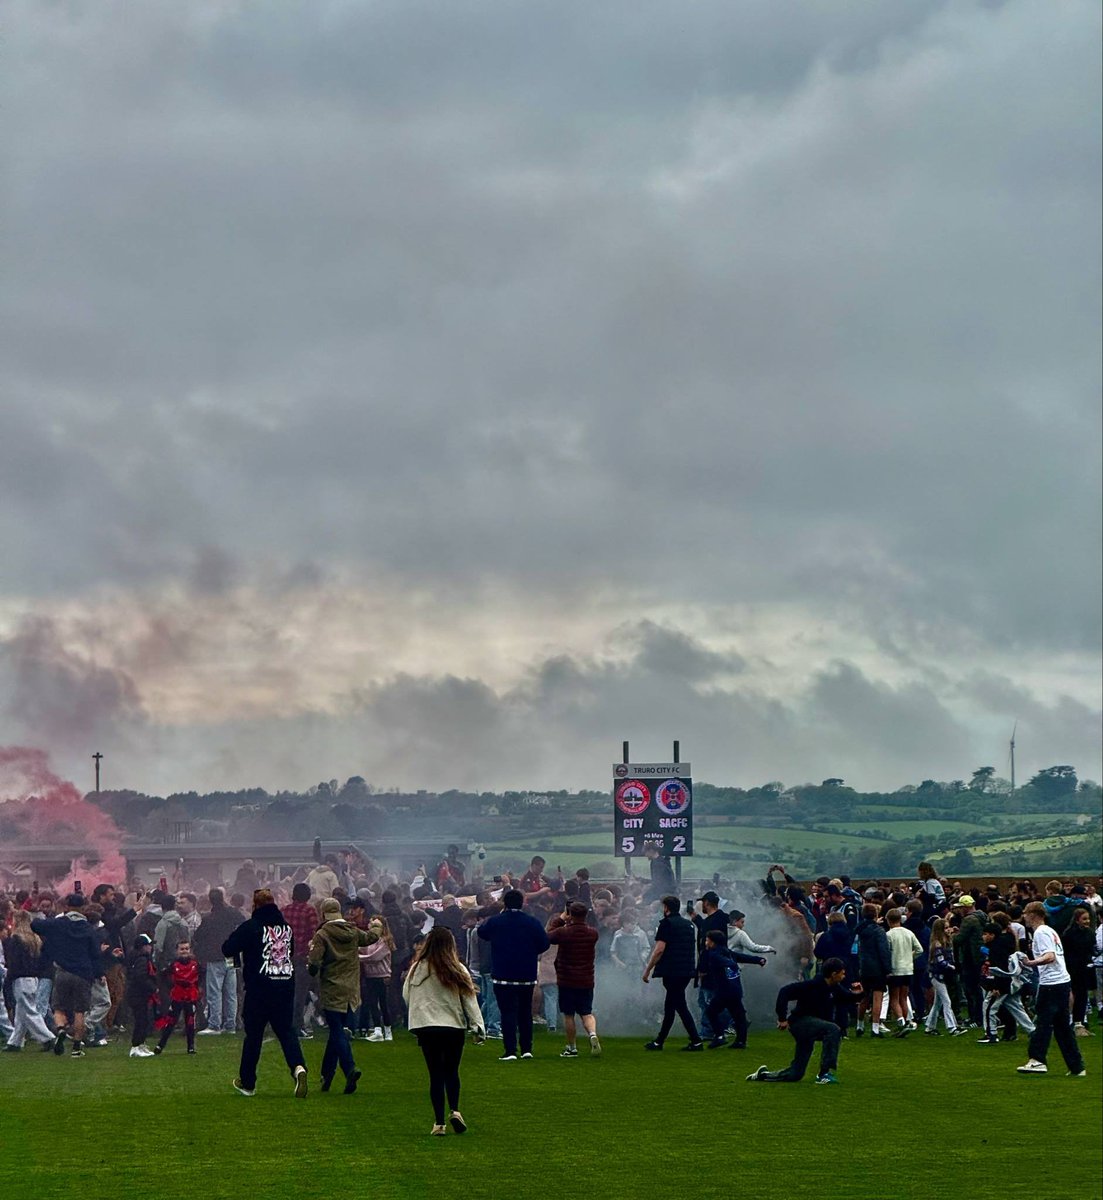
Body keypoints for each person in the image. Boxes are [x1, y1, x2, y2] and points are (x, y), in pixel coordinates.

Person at [222, 888, 308, 1098]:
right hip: (285, 986)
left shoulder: (251, 926)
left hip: (259, 988)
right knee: (287, 1032)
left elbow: (227, 948)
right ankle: (298, 1067)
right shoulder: (287, 929)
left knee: (254, 1036)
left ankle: (248, 1082)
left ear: (255, 905)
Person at [403, 926, 485, 1136]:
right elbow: (469, 999)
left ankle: (438, 1123)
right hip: (452, 1026)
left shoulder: (416, 969)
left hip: (426, 1026)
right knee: (451, 1071)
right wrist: (478, 1026)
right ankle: (455, 1111)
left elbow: (406, 995)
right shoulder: (457, 968)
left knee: (435, 1074)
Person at [746, 957, 860, 1085]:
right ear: (834, 974)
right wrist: (782, 1018)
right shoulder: (811, 985)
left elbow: (847, 998)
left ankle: (763, 1075)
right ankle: (824, 1074)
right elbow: (785, 992)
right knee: (833, 1029)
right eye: (842, 973)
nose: (844, 976)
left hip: (812, 1026)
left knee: (796, 1074)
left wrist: (858, 994)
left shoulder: (834, 987)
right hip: (800, 1023)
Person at [308, 897, 376, 1093]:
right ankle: (326, 1076)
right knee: (337, 1034)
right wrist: (378, 927)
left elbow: (314, 963)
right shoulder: (353, 931)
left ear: (323, 914)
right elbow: (371, 938)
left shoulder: (322, 934)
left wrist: (312, 969)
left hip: (331, 988)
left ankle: (349, 1068)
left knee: (336, 1030)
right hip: (352, 990)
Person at [477, 889, 549, 1061]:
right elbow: (544, 943)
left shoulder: (496, 921)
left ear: (504, 904)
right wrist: (531, 951)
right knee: (525, 1013)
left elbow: (482, 932)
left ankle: (510, 1051)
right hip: (526, 974)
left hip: (503, 973)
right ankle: (526, 1049)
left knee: (507, 1012)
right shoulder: (532, 922)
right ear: (523, 903)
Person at [1016, 901, 1086, 1076]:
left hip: (1051, 984)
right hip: (1061, 982)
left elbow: (1050, 956)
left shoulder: (1040, 932)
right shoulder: (1050, 931)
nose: (1024, 916)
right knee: (1062, 1027)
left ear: (1034, 914)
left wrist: (1030, 963)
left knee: (1043, 1022)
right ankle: (1076, 1066)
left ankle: (1037, 1059)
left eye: (1026, 913)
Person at [32, 892, 104, 1058]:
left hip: (62, 971)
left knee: (58, 1007)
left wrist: (37, 914)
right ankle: (77, 1047)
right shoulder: (88, 928)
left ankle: (61, 1029)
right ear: (83, 908)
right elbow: (95, 953)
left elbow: (36, 925)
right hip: (83, 973)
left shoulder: (58, 924)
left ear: (66, 906)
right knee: (80, 1011)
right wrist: (99, 973)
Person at [643, 895, 702, 1051]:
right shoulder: (689, 925)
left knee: (679, 1006)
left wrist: (648, 969)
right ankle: (659, 1041)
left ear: (666, 908)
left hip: (672, 971)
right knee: (671, 1005)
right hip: (687, 970)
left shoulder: (666, 924)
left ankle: (696, 1041)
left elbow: (659, 950)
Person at [546, 902, 601, 1058]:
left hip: (567, 980)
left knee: (568, 1015)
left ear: (570, 914)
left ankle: (572, 1047)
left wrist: (561, 919)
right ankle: (592, 1034)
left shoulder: (564, 932)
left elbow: (548, 935)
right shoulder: (593, 933)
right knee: (586, 1012)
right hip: (586, 979)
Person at [697, 929, 767, 1049]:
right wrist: (757, 960)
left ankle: (719, 1036)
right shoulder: (727, 952)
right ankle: (741, 1041)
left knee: (711, 1012)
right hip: (735, 989)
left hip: (724, 991)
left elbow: (729, 963)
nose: (705, 943)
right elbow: (741, 957)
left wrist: (732, 965)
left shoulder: (714, 955)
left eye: (707, 940)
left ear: (713, 942)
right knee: (738, 1015)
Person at [0, 910, 54, 1052]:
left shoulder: (16, 939)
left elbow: (14, 963)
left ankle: (47, 1038)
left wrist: (9, 979)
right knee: (21, 1011)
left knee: (29, 1011)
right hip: (33, 978)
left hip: (20, 978)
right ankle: (15, 1041)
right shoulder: (34, 939)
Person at [193, 888, 244, 1036]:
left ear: (210, 900)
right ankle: (230, 1025)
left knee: (215, 992)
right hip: (231, 955)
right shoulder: (232, 913)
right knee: (231, 992)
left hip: (215, 957)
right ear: (223, 898)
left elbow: (198, 936)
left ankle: (214, 1024)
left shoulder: (209, 918)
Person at [281, 882, 319, 1037]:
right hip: (301, 957)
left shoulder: (284, 910)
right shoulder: (310, 911)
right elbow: (315, 934)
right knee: (299, 994)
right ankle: (296, 1026)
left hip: (283, 957)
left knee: (285, 993)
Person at [689, 891, 729, 1040]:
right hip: (714, 965)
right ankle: (730, 1023)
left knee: (707, 1000)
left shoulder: (714, 921)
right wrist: (696, 919)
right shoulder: (717, 919)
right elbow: (706, 928)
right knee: (710, 999)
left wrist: (703, 968)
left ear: (706, 903)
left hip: (711, 967)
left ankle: (709, 1031)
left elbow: (708, 947)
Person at [154, 939, 200, 1055]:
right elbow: (163, 976)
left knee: (190, 1022)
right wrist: (170, 986)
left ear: (190, 950)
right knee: (171, 1022)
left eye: (186, 949)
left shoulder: (195, 964)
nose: (184, 951)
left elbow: (201, 977)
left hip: (190, 996)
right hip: (177, 996)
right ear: (177, 951)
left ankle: (191, 1047)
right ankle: (160, 1045)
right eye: (182, 949)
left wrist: (198, 989)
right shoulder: (173, 964)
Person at [855, 903, 892, 1038]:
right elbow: (883, 951)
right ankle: (875, 1028)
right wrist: (888, 969)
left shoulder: (859, 930)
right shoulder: (879, 931)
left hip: (864, 967)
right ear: (876, 915)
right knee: (877, 998)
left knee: (863, 997)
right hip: (877, 968)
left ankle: (859, 1025)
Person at [885, 908, 922, 1036]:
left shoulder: (889, 935)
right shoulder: (909, 933)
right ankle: (906, 1021)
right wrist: (910, 957)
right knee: (904, 997)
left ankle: (900, 1021)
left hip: (895, 969)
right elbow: (919, 949)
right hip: (908, 969)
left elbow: (887, 952)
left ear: (889, 920)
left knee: (894, 998)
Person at [358, 915, 394, 1042]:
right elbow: (363, 949)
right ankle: (378, 1030)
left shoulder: (385, 941)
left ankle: (388, 1030)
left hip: (382, 975)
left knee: (383, 1003)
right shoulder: (370, 941)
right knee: (372, 1003)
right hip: (370, 975)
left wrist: (358, 957)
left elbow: (374, 957)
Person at [1061, 907, 1095, 1037]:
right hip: (1072, 968)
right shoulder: (1069, 934)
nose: (1087, 921)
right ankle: (1070, 1022)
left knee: (1083, 995)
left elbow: (1091, 949)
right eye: (1084, 919)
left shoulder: (1090, 933)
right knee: (1072, 995)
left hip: (1085, 968)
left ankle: (1079, 1022)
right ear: (1076, 920)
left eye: (1088, 919)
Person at [924, 918, 960, 1036]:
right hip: (936, 976)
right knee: (947, 1001)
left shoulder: (946, 941)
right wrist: (952, 967)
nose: (948, 930)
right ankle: (951, 1027)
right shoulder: (937, 944)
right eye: (945, 928)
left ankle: (930, 1027)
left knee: (937, 1003)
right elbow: (940, 961)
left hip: (942, 975)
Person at [126, 934, 158, 1057]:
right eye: (149, 945)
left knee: (144, 1020)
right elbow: (141, 977)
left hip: (138, 994)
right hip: (138, 994)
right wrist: (153, 987)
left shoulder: (136, 957)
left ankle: (141, 1044)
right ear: (143, 946)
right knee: (141, 1020)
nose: (151, 948)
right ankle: (136, 1046)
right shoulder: (142, 959)